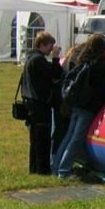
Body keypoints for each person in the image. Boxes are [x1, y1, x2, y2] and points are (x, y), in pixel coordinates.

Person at [52, 34, 105, 179]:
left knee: (68, 137)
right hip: (87, 108)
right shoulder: (99, 66)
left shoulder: (84, 62)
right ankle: (64, 170)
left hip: (76, 104)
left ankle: (57, 167)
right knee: (76, 139)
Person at [21, 32, 63, 175]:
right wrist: (56, 59)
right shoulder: (38, 60)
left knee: (35, 139)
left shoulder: (31, 58)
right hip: (39, 105)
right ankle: (42, 169)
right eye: (50, 46)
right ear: (42, 45)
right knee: (42, 139)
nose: (52, 50)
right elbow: (55, 74)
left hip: (30, 102)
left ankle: (34, 168)